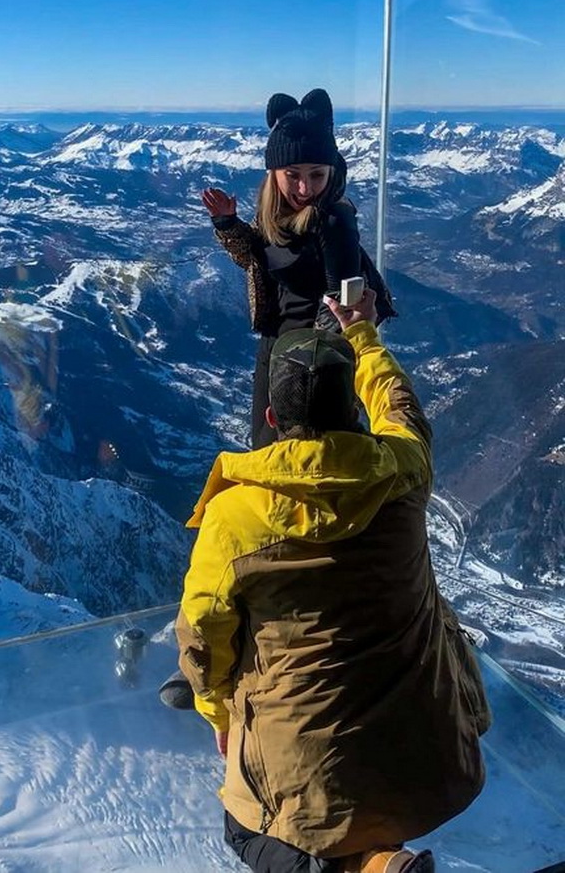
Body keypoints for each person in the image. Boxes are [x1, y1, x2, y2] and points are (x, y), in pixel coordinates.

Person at [176, 288, 491, 873]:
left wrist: (216, 711)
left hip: (307, 759)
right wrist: (364, 335)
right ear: (352, 409)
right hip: (428, 741)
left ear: (271, 419)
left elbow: (202, 634)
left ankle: (364, 868)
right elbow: (399, 408)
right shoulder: (402, 472)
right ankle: (380, 862)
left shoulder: (237, 515)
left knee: (248, 829)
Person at [202, 88, 396, 447]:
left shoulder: (334, 222)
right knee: (263, 450)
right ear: (273, 173)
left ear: (332, 171)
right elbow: (257, 262)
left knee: (283, 454)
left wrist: (306, 372)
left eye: (317, 175)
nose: (305, 188)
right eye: (293, 174)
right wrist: (228, 225)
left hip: (309, 364)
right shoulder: (277, 214)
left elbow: (343, 306)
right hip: (275, 346)